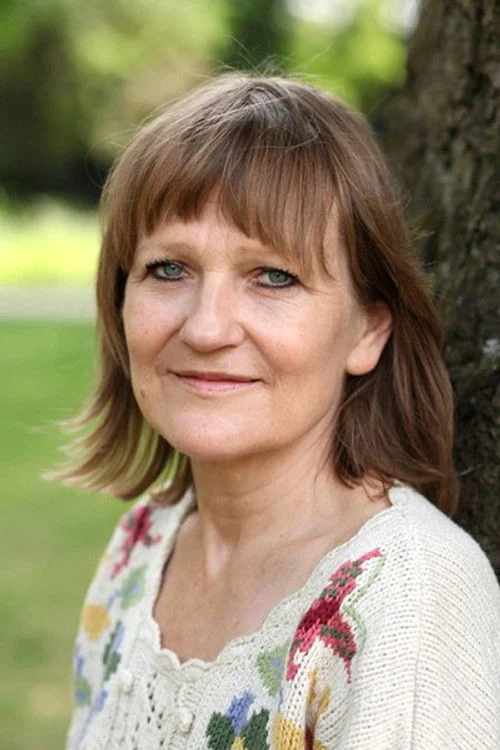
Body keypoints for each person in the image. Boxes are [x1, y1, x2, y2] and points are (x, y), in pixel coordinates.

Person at [57, 73, 500, 749]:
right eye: (169, 269)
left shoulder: (408, 601)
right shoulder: (140, 550)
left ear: (367, 330)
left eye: (273, 276)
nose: (206, 328)